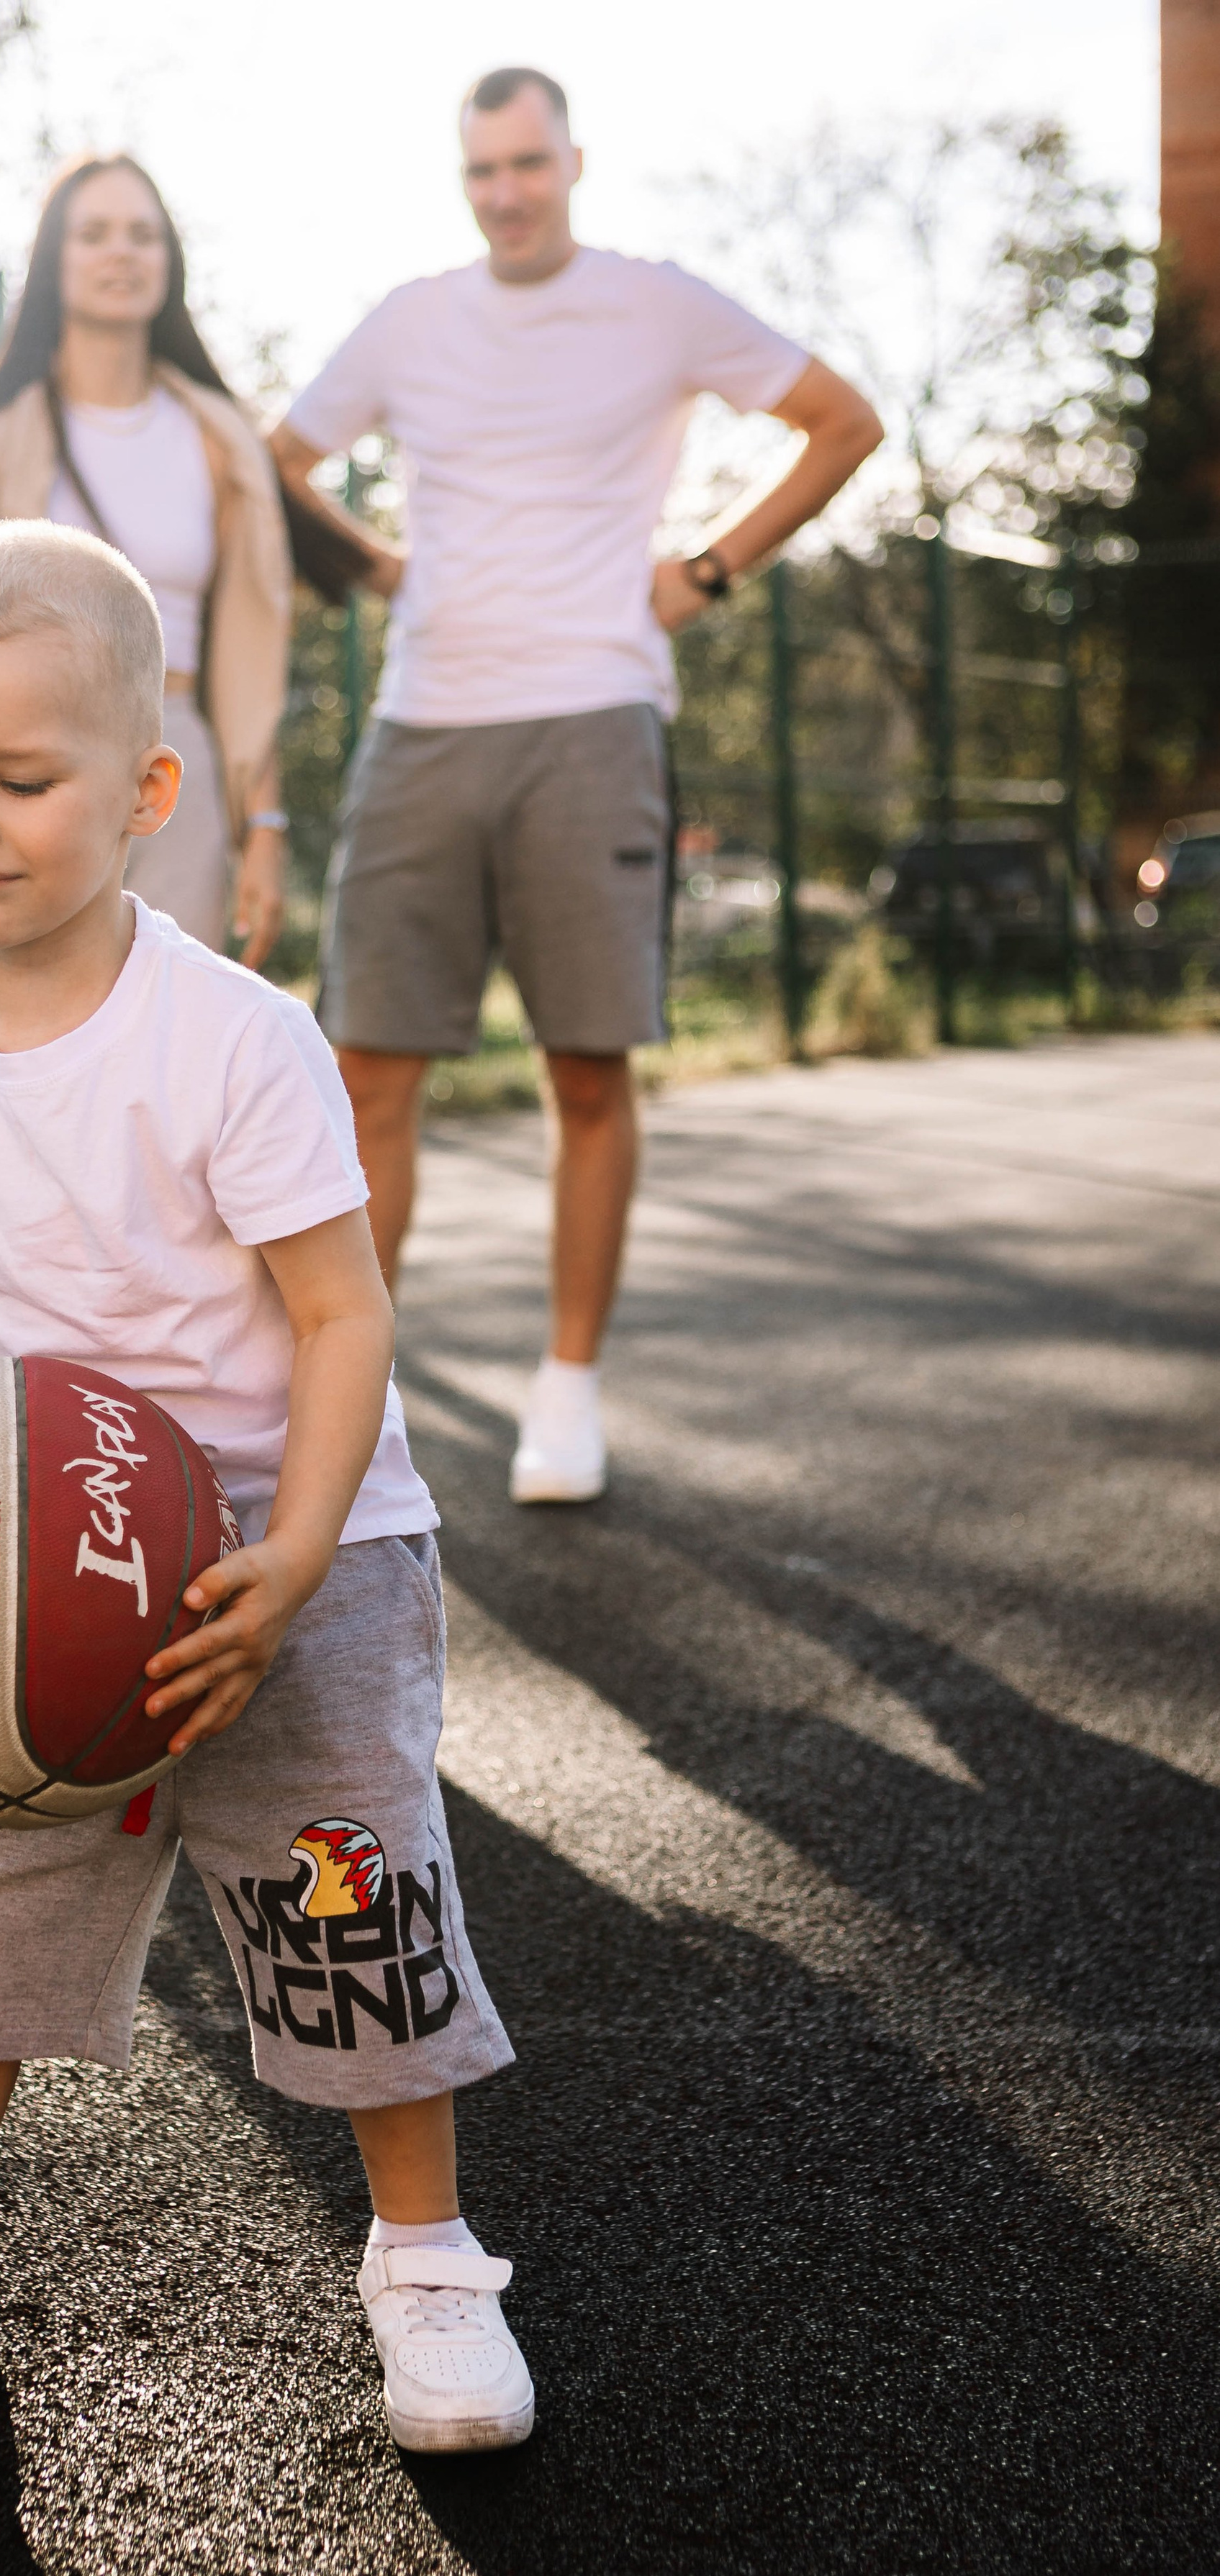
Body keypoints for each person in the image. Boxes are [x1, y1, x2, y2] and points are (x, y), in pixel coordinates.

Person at [0, 521, 532, 2456]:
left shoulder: (233, 1038)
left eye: (19, 777)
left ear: (148, 794)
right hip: (52, 1573)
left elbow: (341, 1319)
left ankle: (428, 2265)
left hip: (292, 1547)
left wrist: (303, 1551)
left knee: (352, 1906)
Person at [271, 68, 883, 1503]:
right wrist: (370, 565)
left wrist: (707, 572)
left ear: (573, 161)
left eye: (526, 165)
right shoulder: (412, 320)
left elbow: (841, 423)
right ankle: (365, 1397)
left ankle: (567, 1388)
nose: (503, 194)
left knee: (586, 1074)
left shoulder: (655, 304)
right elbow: (276, 456)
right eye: (479, 170)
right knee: (365, 1072)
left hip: (596, 715)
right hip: (421, 725)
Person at [0, 154, 367, 971]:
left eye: (144, 235)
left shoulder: (222, 445)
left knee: (164, 1037)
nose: (122, 252)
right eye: (96, 234)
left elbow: (247, 653)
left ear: (170, 262)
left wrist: (263, 828)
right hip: (14, 760)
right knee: (15, 1046)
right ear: (55, 262)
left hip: (171, 750)